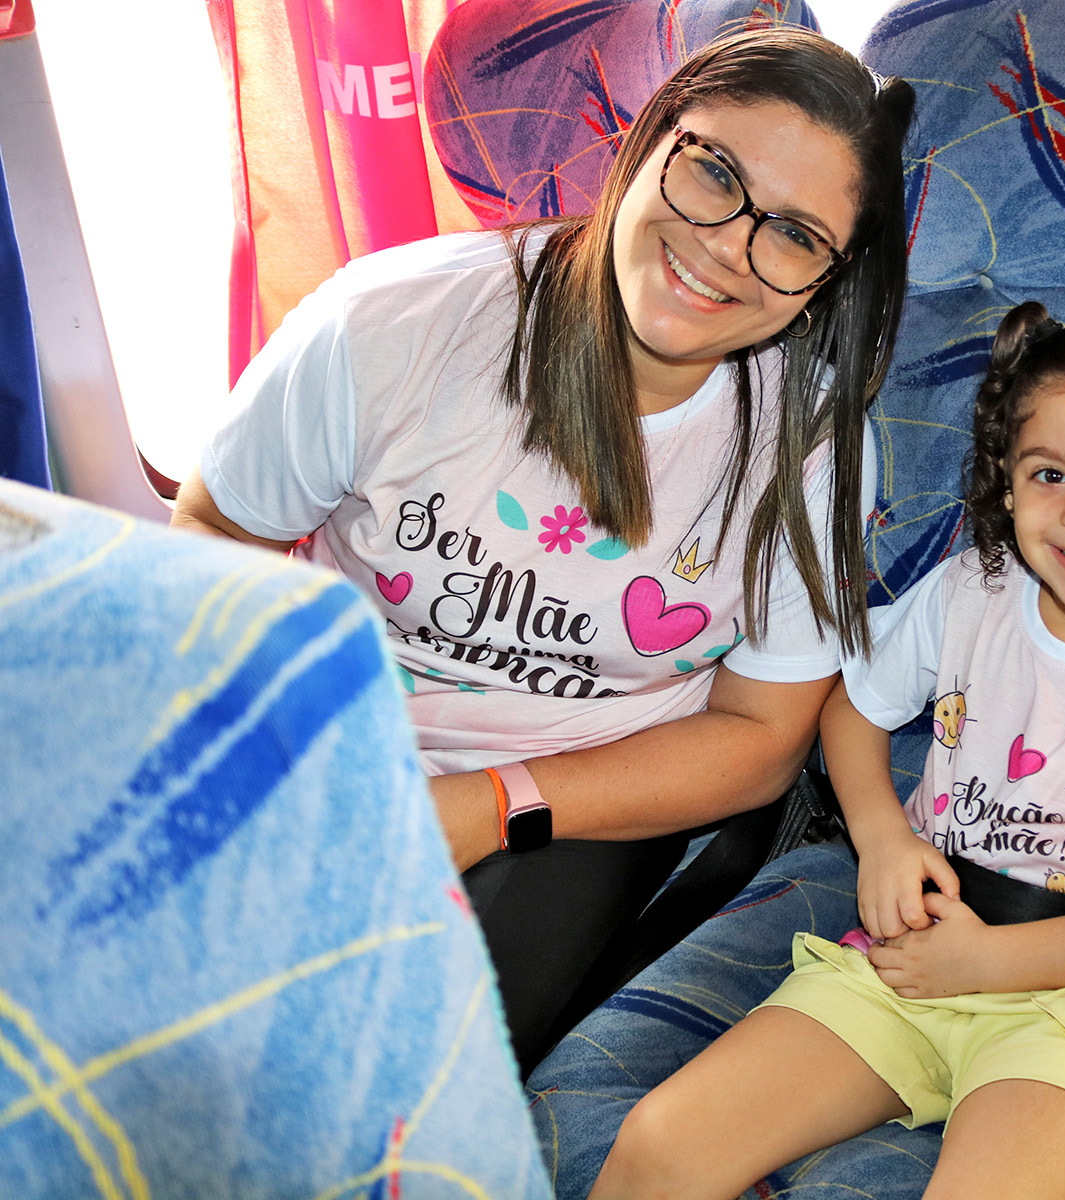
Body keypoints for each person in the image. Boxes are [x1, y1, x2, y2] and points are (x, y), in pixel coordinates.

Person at [170, 28, 916, 1075]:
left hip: (576, 799)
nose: (725, 247)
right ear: (648, 140)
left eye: (793, 234)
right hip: (327, 729)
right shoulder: (393, 321)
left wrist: (490, 807)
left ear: (826, 283)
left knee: (383, 1073)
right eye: (714, 173)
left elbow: (759, 739)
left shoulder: (813, 446)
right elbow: (214, 534)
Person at [587, 305, 1065, 1200]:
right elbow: (853, 712)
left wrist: (986, 965)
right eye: (1050, 473)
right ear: (1008, 490)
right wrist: (884, 839)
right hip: (916, 949)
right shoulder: (975, 588)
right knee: (662, 1144)